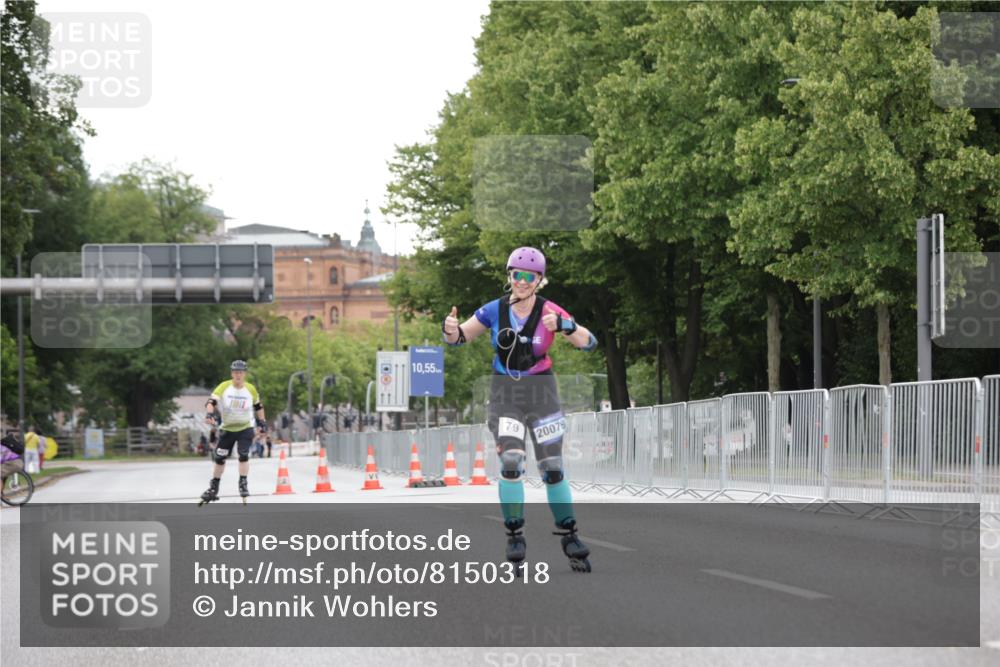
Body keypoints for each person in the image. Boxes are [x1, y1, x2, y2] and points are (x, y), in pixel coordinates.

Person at [442, 247, 599, 573]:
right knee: (511, 461)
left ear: (539, 280)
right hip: (505, 394)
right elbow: (460, 338)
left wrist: (566, 326)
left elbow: (589, 342)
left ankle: (569, 535)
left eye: (530, 277)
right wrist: (450, 328)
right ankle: (514, 534)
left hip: (542, 392)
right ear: (509, 276)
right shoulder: (493, 310)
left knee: (552, 466)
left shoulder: (549, 311)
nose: (523, 282)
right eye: (517, 275)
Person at [199, 360, 267, 504]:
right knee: (219, 458)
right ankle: (214, 487)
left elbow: (258, 406)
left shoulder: (250, 389)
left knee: (243, 455)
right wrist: (209, 414)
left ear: (245, 374)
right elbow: (211, 402)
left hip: (245, 427)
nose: (238, 375)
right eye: (235, 372)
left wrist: (262, 422)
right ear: (232, 373)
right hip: (227, 429)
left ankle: (243, 484)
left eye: (241, 372)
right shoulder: (224, 386)